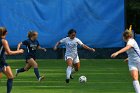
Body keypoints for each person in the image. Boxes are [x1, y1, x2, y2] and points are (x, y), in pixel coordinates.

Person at [0, 27, 24, 93]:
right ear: (6, 33)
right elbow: (9, 52)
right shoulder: (4, 41)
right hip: (1, 62)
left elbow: (3, 52)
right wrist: (19, 51)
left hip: (3, 62)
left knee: (10, 77)